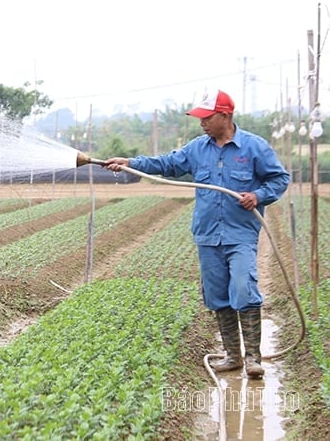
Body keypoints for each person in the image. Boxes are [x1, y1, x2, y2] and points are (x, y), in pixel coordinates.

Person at [105, 89, 290, 379]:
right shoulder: (196, 148)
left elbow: (279, 178)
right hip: (207, 235)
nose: (201, 123)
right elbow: (165, 164)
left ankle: (253, 357)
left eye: (207, 117)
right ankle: (232, 356)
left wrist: (258, 195)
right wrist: (131, 162)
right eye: (200, 118)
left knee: (243, 288)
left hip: (240, 234)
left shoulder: (254, 147)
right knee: (217, 295)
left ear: (225, 116)